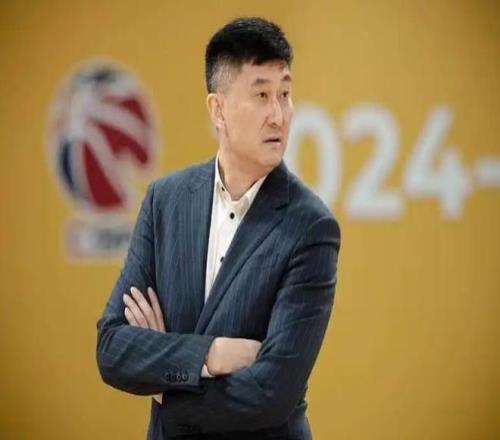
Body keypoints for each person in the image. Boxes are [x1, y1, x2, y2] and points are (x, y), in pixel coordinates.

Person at [96, 16, 341, 439]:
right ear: (218, 109)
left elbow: (272, 393)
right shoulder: (165, 201)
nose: (279, 115)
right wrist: (210, 355)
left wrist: (165, 384)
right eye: (261, 95)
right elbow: (112, 348)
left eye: (284, 94)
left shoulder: (311, 227)